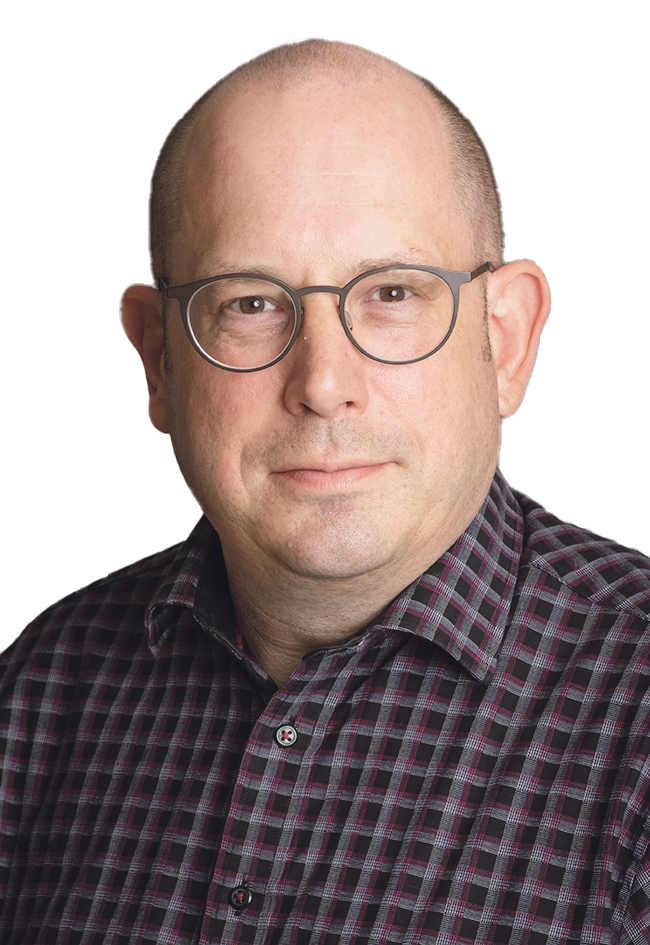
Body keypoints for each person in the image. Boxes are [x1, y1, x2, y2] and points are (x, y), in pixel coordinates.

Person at [1, 37, 650, 945]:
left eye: (392, 292)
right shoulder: (41, 690)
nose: (323, 383)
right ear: (158, 360)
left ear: (504, 341)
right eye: (251, 302)